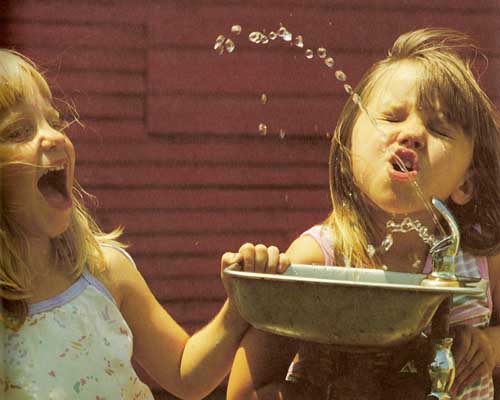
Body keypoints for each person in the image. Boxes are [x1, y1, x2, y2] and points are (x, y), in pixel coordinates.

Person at [0, 49, 290, 400]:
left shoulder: (103, 271)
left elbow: (186, 374)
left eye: (53, 121)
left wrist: (239, 307)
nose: (53, 137)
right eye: (19, 131)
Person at [226, 28, 500, 399]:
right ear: (348, 148)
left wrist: (490, 343)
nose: (412, 133)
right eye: (390, 117)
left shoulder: (478, 261)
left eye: (438, 128)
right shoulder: (320, 261)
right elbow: (245, 392)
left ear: (466, 183)